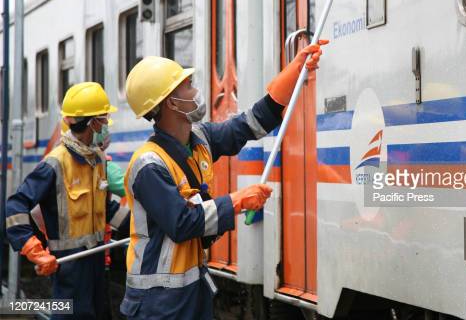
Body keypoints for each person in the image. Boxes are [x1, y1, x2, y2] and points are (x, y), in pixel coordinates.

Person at [119, 40, 326, 319]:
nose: (196, 91)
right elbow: (182, 223)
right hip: (158, 302)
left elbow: (250, 124)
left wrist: (295, 69)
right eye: (188, 85)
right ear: (172, 102)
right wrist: (237, 201)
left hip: (191, 292)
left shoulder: (200, 139)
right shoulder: (149, 166)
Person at [5, 82, 131, 319]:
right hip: (69, 267)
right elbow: (15, 206)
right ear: (92, 123)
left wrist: (141, 227)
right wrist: (34, 250)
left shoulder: (97, 161)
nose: (105, 126)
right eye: (103, 120)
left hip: (96, 262)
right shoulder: (55, 164)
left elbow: (105, 209)